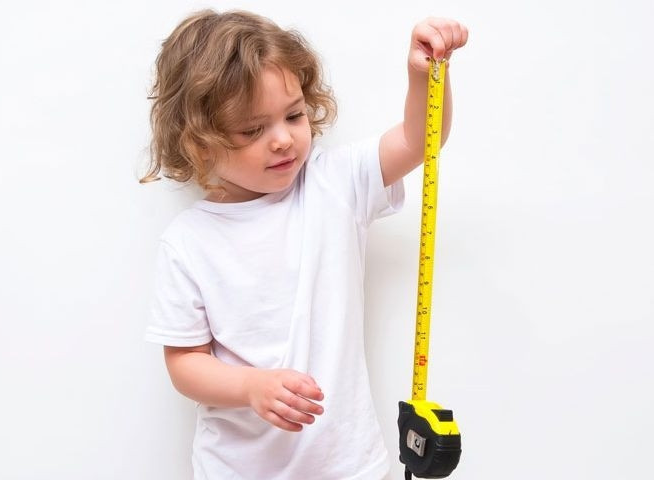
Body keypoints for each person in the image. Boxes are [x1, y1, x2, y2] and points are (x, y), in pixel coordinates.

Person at [141, 8, 468, 480]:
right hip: (238, 470)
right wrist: (251, 387)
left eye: (293, 115)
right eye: (252, 129)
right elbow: (184, 363)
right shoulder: (188, 241)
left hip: (349, 466)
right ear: (200, 142)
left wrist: (424, 75)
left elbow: (420, 140)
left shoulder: (333, 183)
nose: (283, 140)